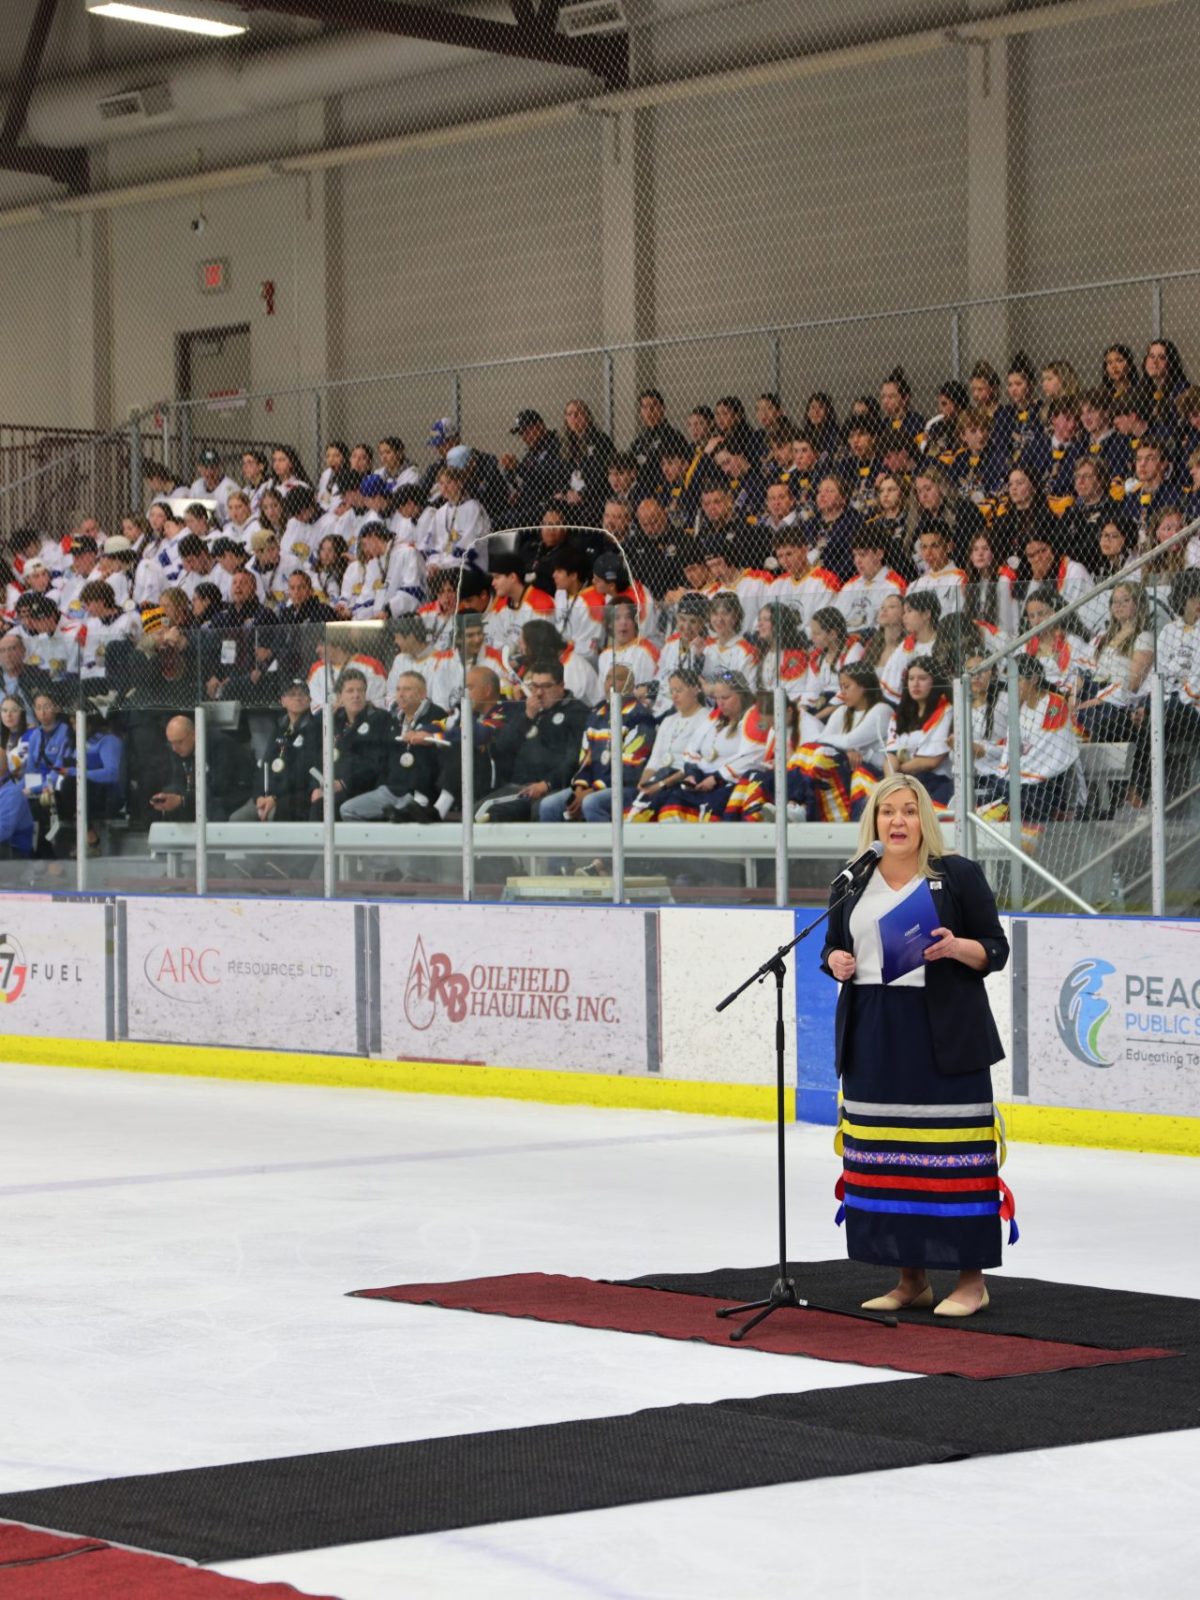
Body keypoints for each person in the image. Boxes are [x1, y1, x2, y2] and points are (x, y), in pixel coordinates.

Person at [821, 775, 1012, 1316]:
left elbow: (995, 950)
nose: (898, 821)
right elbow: (832, 947)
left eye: (909, 810)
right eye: (888, 812)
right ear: (874, 820)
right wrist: (835, 961)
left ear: (925, 818)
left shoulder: (956, 875)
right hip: (873, 1031)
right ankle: (911, 1280)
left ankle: (971, 1282)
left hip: (943, 1033)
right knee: (889, 1158)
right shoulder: (852, 880)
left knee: (953, 1159)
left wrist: (956, 947)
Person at [476, 658, 589, 821]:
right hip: (519, 787)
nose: (539, 693)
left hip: (553, 787)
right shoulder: (527, 709)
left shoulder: (577, 712)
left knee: (534, 810)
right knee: (476, 812)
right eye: (534, 686)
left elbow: (574, 758)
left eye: (546, 686)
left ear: (561, 686)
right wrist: (527, 717)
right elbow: (502, 747)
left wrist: (547, 783)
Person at [150, 714, 255, 823]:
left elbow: (218, 787)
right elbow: (177, 780)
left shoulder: (219, 745)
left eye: (179, 742)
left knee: (214, 808)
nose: (174, 748)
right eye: (171, 743)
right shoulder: (178, 749)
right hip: (206, 796)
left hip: (235, 794)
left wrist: (183, 799)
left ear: (194, 734)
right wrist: (168, 795)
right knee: (174, 808)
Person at [886, 656, 954, 804]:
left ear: (935, 681)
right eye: (911, 679)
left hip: (937, 781)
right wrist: (891, 782)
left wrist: (899, 771)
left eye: (922, 678)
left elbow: (932, 761)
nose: (915, 684)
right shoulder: (900, 714)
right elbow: (891, 755)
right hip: (903, 779)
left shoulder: (947, 711)